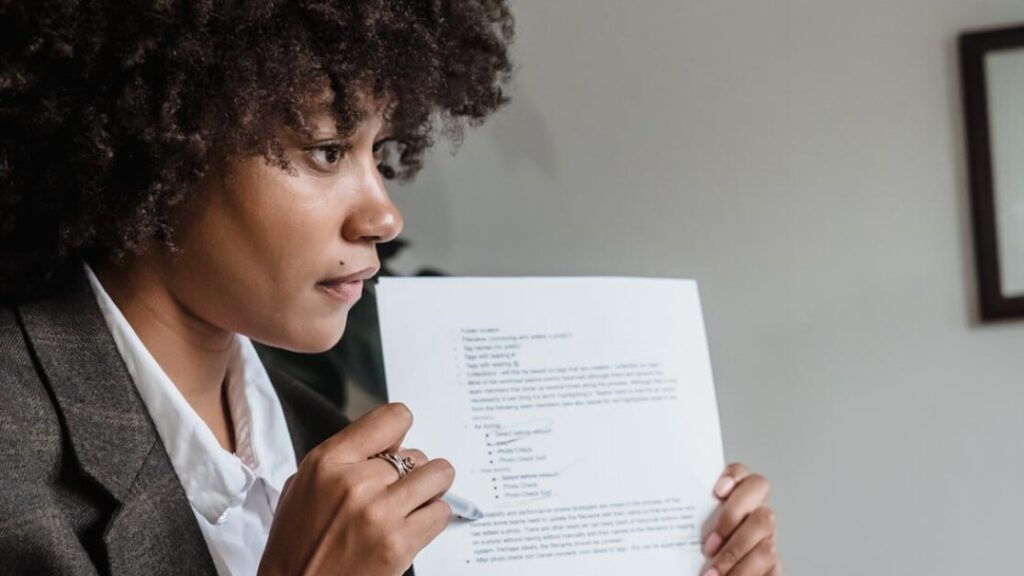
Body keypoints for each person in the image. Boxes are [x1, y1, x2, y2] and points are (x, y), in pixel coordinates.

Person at [0, 2, 781, 575]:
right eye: (327, 149)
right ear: (159, 152)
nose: (382, 212)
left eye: (382, 152)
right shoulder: (14, 445)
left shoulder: (338, 447)